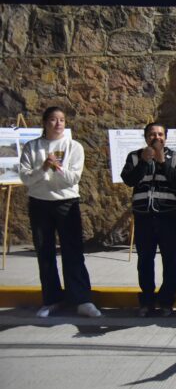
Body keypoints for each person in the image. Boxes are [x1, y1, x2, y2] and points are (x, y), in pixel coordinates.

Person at [19, 106, 101, 318]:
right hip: (39, 203)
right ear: (45, 122)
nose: (58, 124)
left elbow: (73, 178)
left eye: (62, 120)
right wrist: (44, 168)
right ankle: (52, 299)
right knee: (44, 252)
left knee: (73, 252)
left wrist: (56, 168)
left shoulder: (74, 147)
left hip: (66, 203)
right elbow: (26, 178)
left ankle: (82, 299)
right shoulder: (32, 147)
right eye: (53, 120)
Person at [121, 122, 176, 317]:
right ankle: (147, 301)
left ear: (165, 138)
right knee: (145, 261)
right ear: (146, 137)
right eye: (152, 134)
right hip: (144, 216)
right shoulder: (135, 156)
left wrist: (162, 162)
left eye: (160, 134)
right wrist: (143, 161)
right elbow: (129, 180)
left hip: (168, 215)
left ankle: (166, 300)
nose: (156, 138)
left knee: (170, 260)